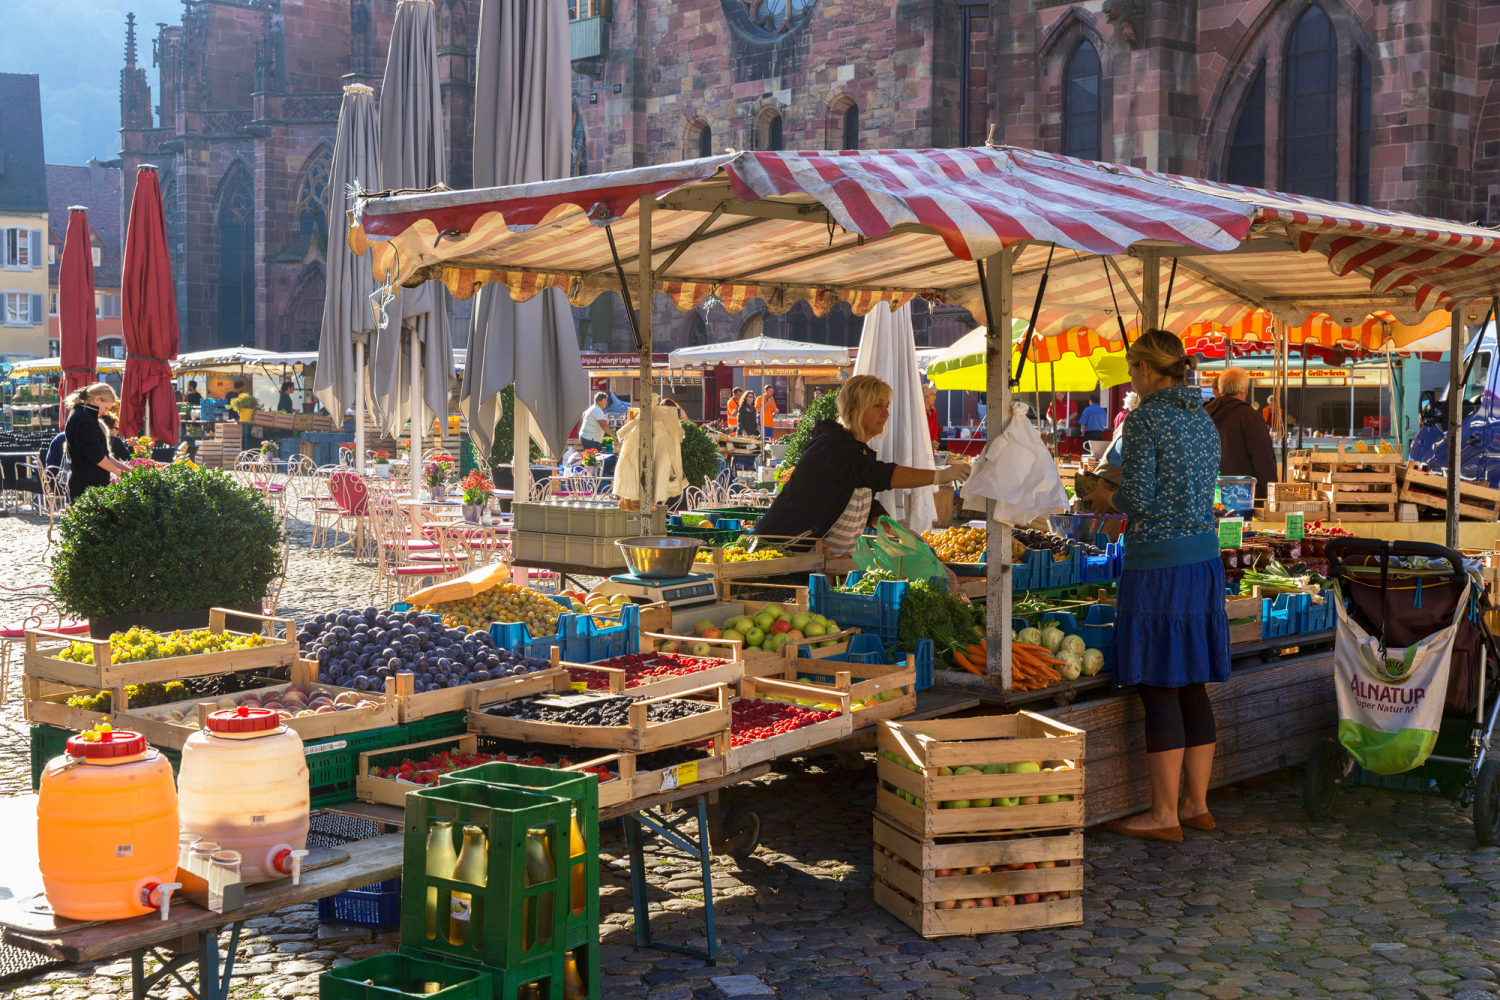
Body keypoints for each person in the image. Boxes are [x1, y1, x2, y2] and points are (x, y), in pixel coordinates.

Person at [1086, 330, 1228, 843]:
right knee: (1191, 684)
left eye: (1132, 368)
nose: (1130, 377)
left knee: (1160, 684)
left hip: (1160, 568)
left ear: (1147, 369)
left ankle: (1164, 814)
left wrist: (1104, 494)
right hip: (1203, 562)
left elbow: (1139, 499)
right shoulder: (1203, 419)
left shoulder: (1146, 417)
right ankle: (1196, 805)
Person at [754, 374, 972, 555]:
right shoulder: (831, 446)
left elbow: (863, 504)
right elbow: (874, 474)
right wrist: (937, 477)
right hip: (782, 554)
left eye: (887, 406)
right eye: (878, 406)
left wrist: (896, 530)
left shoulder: (858, 450)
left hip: (819, 563)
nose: (886, 413)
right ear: (854, 408)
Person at [1204, 367, 1278, 500]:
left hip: (1209, 496)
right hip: (1244, 498)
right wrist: (1271, 496)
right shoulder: (1250, 417)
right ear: (1246, 390)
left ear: (1220, 389)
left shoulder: (1203, 415)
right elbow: (1263, 460)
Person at [63, 383, 132, 502]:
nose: (105, 413)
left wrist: (126, 469)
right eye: (106, 408)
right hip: (87, 485)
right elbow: (96, 456)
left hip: (88, 484)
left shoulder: (84, 415)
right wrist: (119, 473)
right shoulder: (83, 419)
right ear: (97, 399)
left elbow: (101, 453)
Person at [923, 383, 941, 447]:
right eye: (932, 394)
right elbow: (921, 431)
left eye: (935, 394)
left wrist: (935, 440)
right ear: (924, 397)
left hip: (931, 448)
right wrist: (930, 443)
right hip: (922, 448)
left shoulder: (933, 411)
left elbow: (936, 428)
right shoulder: (921, 411)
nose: (935, 397)